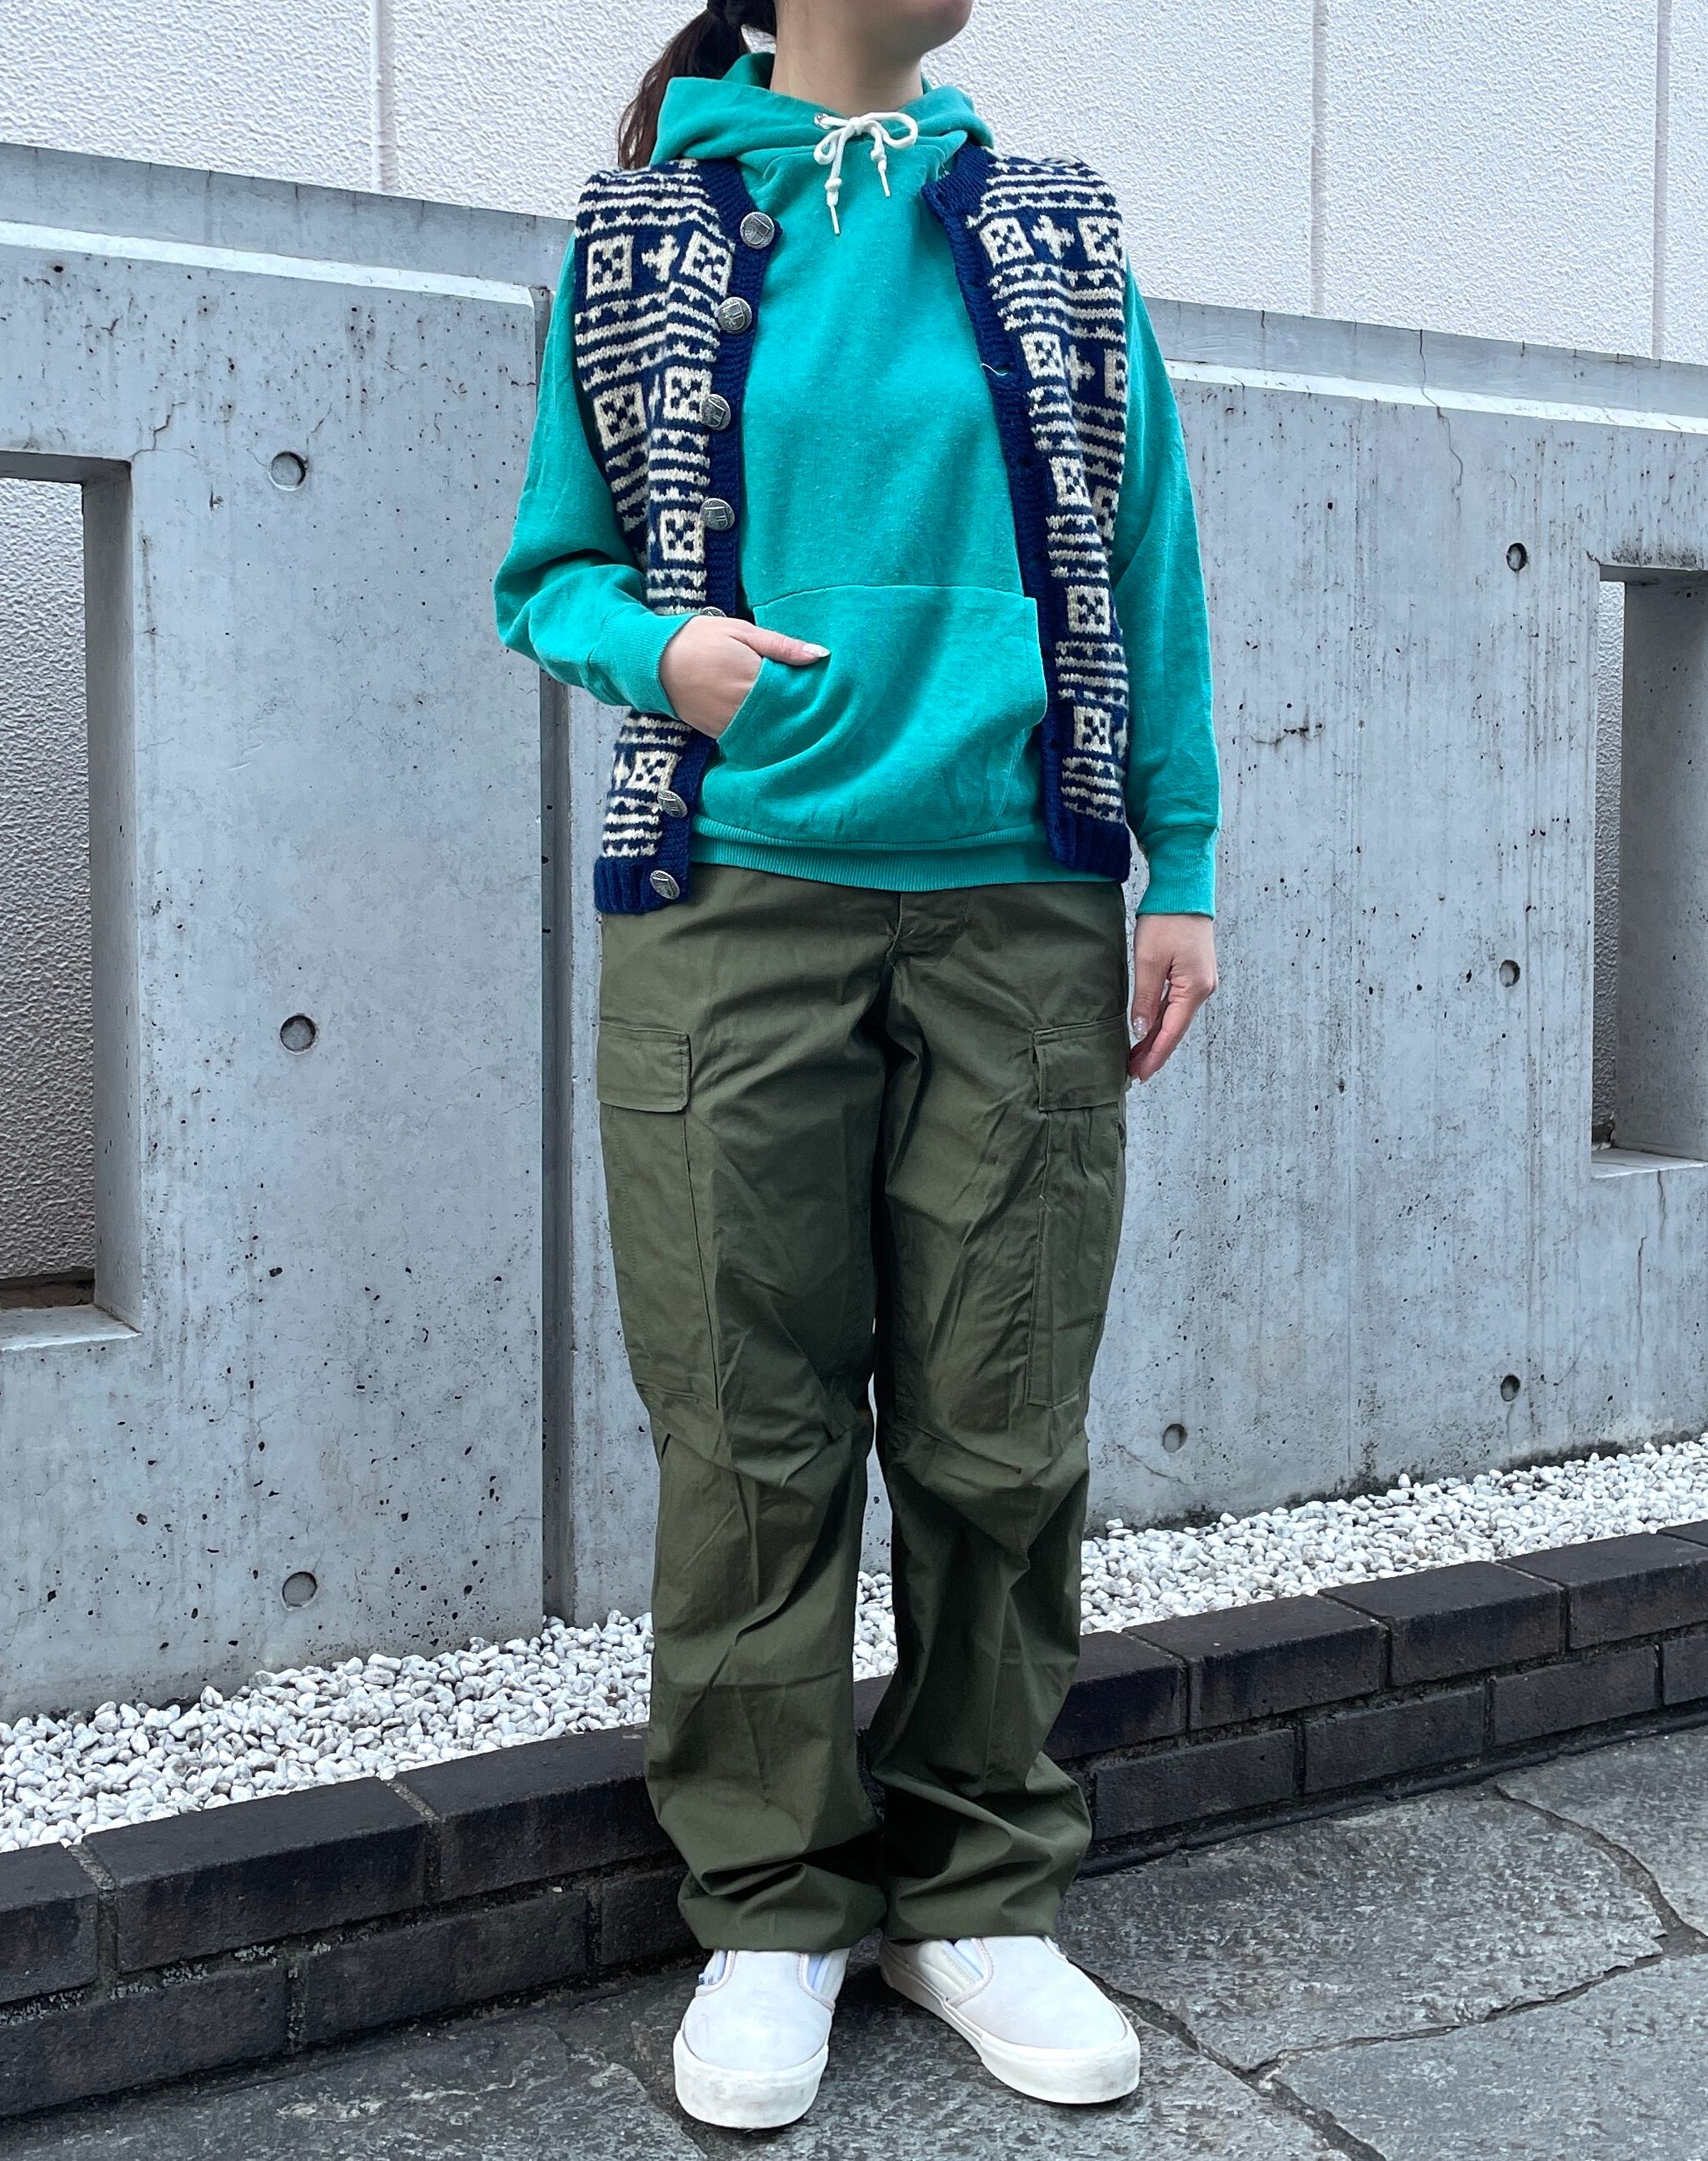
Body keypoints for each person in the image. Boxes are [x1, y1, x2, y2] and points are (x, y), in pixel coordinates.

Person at [494, 0, 1218, 2128]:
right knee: (749, 1422)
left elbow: (1149, 549)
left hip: (1022, 899)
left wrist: (1177, 858)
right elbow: (550, 571)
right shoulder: (637, 234)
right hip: (729, 904)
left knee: (1004, 1418)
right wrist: (666, 652)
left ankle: (979, 1886)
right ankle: (772, 1906)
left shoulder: (1059, 228)